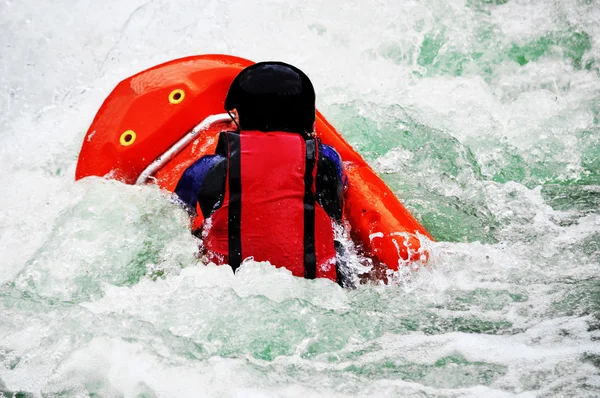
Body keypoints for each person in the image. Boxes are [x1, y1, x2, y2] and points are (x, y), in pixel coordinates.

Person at [174, 61, 350, 286]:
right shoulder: (326, 159)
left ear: (239, 115)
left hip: (229, 289)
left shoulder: (207, 168)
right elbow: (339, 197)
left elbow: (175, 216)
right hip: (323, 288)